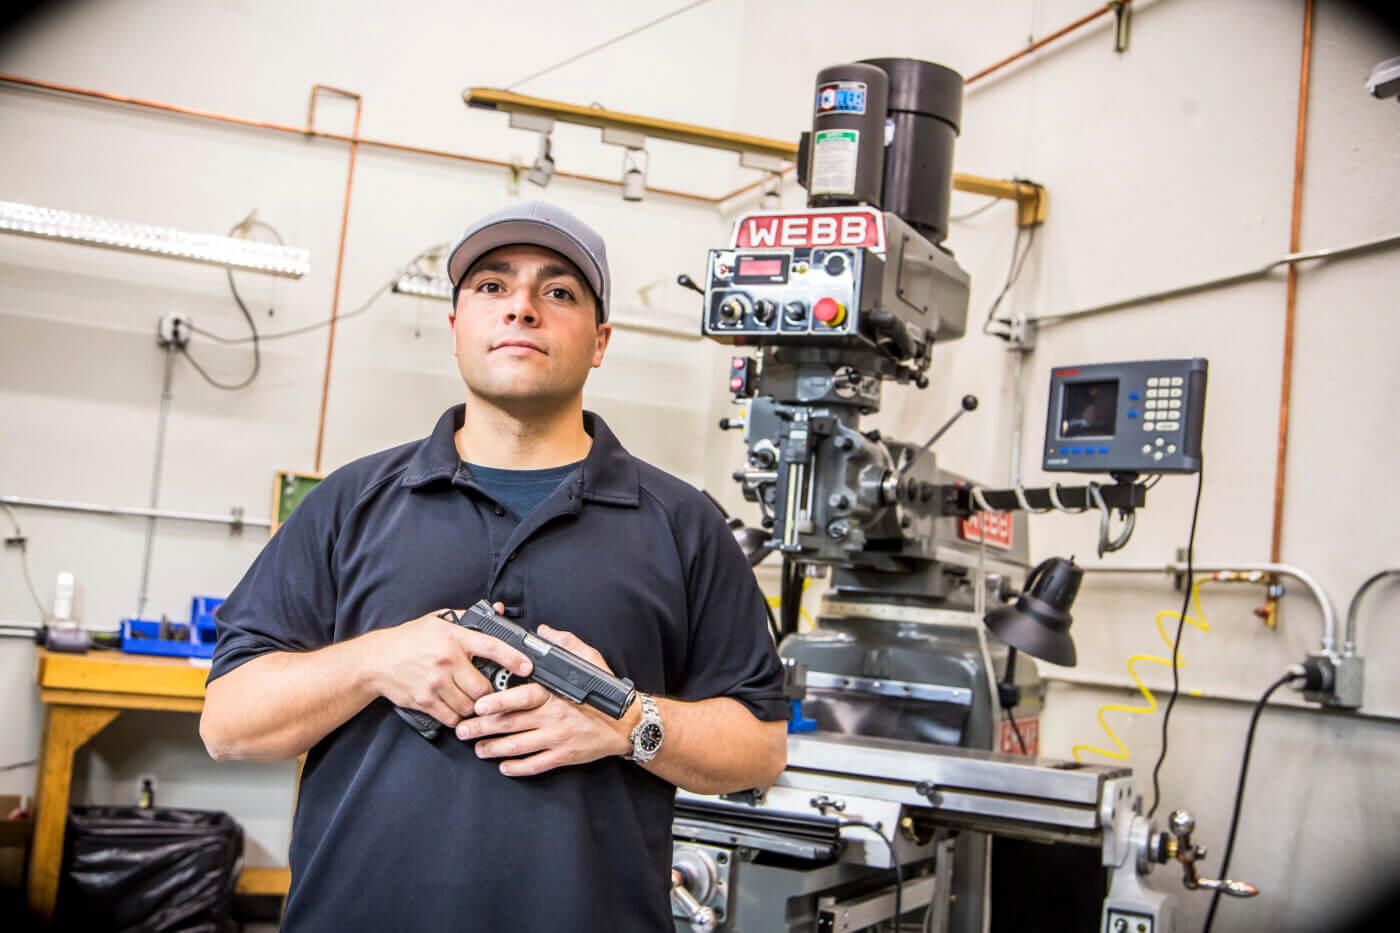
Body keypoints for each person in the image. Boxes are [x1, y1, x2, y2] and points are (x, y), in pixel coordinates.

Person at [199, 201, 789, 931]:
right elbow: (226, 722)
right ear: (455, 329)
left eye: (559, 291)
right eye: (490, 287)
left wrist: (628, 721)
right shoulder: (350, 503)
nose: (522, 309)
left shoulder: (681, 523)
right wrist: (376, 660)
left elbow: (761, 746)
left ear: (600, 340)